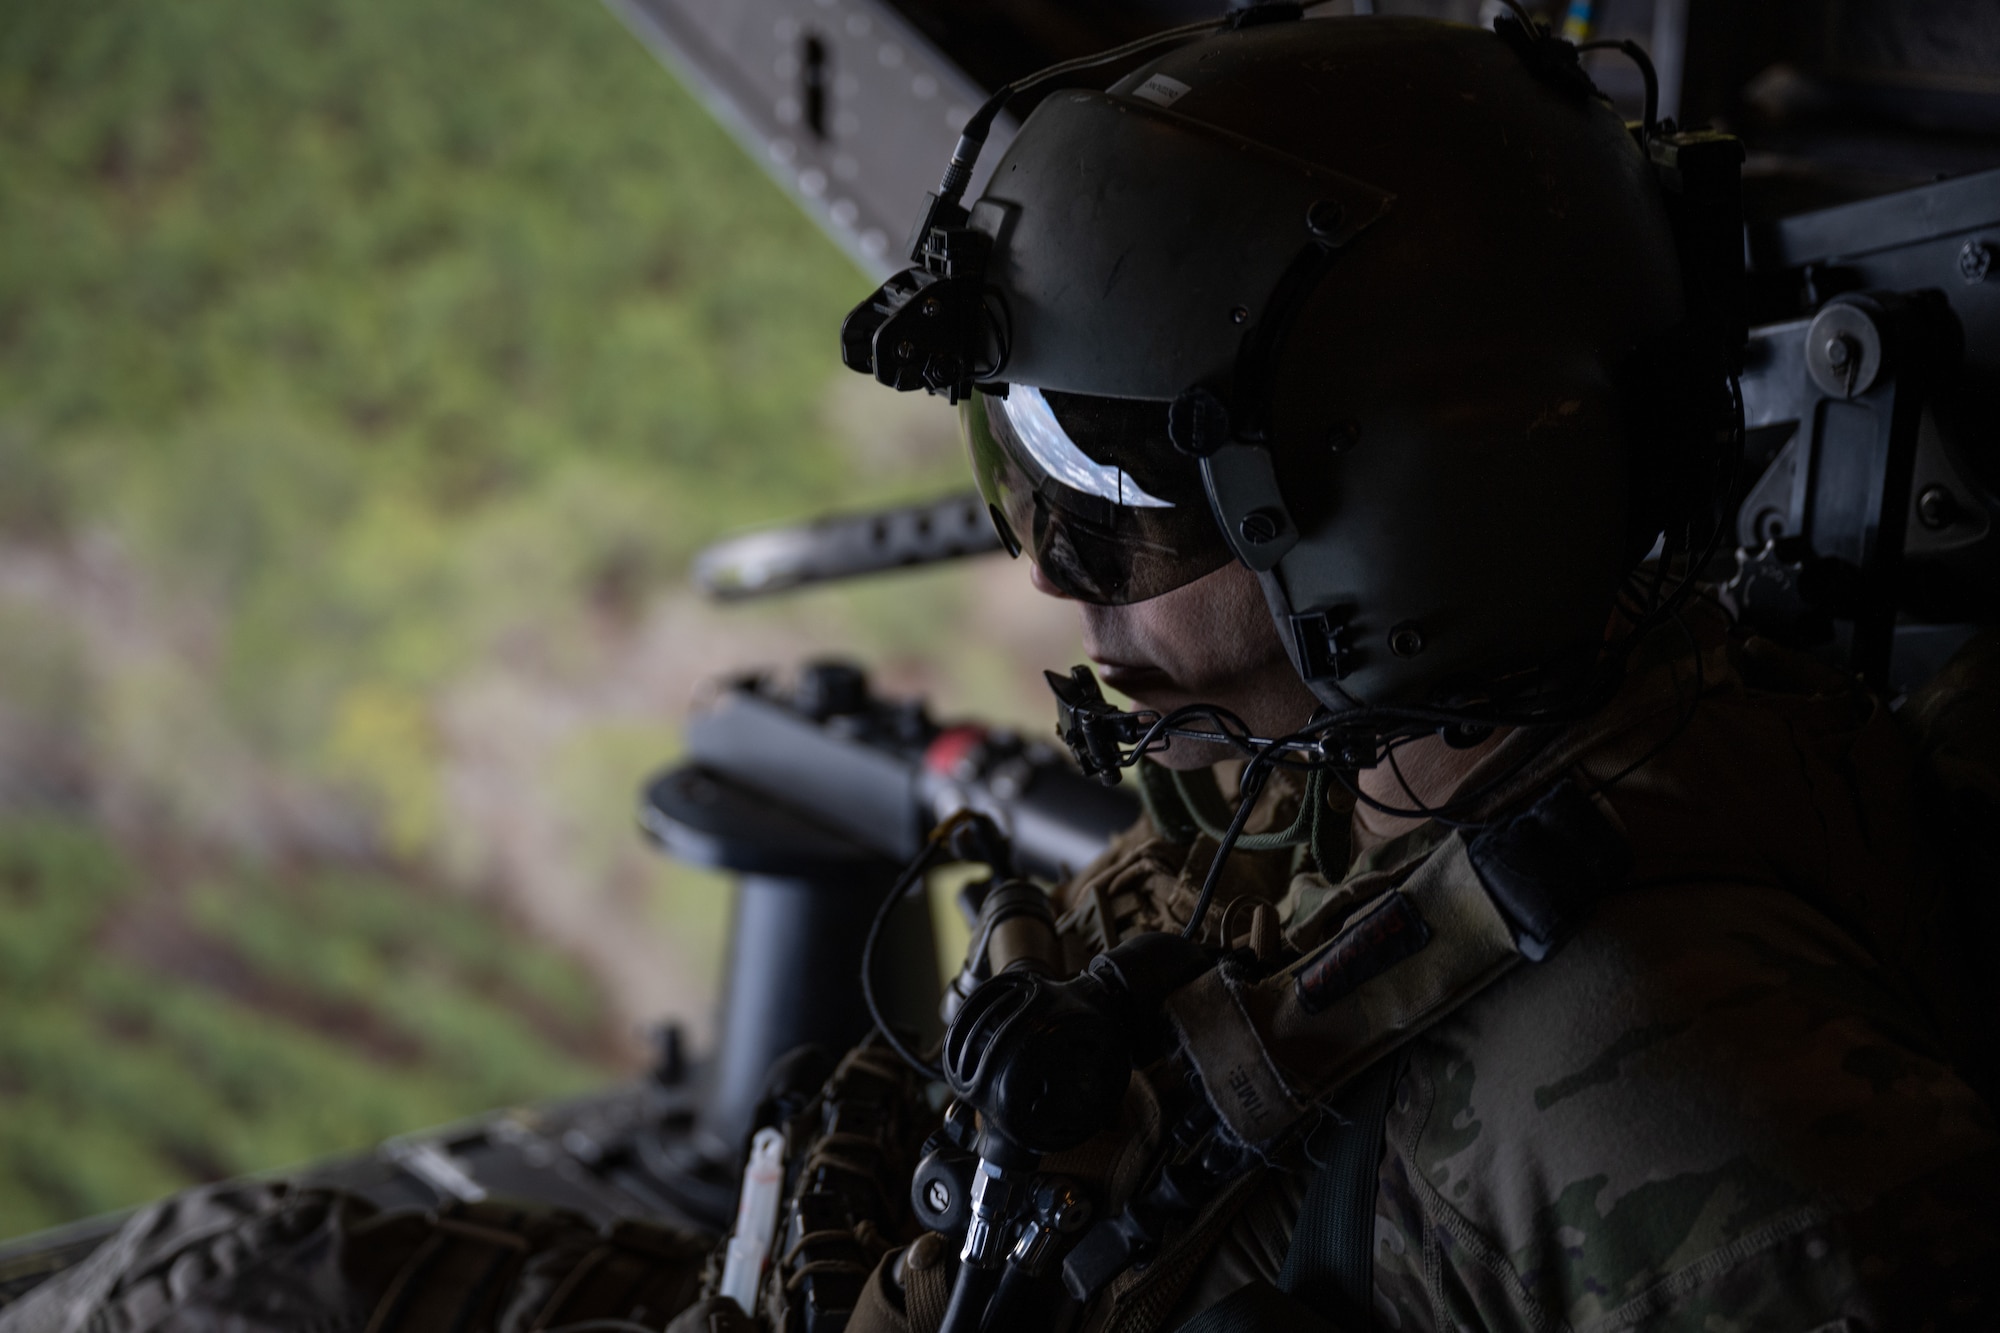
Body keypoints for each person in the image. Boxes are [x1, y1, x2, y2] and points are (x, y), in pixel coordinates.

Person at [5, 10, 1993, 1333]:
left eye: (1110, 508)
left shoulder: (1666, 1094)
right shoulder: (1334, 783)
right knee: (215, 1284)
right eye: (1018, 479)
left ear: (1405, 518)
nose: (1054, 584)